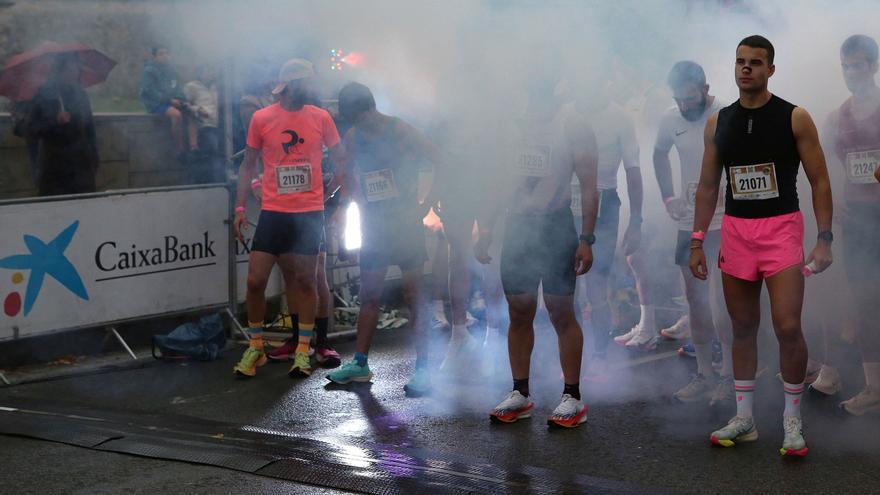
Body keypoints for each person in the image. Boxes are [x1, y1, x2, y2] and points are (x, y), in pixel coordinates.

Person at [690, 36, 833, 457]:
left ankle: (792, 420)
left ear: (771, 69)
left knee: (787, 326)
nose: (746, 68)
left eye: (755, 62)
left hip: (781, 230)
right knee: (742, 327)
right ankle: (745, 418)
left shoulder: (795, 117)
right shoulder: (718, 122)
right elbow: (708, 186)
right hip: (737, 232)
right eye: (740, 61)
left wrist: (824, 239)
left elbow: (820, 180)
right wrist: (697, 240)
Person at [474, 76, 599, 428]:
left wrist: (587, 239)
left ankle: (572, 396)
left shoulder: (573, 126)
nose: (533, 102)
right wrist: (486, 227)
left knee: (561, 311)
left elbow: (590, 187)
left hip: (556, 226)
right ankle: (520, 393)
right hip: (518, 227)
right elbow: (498, 180)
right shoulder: (513, 124)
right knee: (519, 310)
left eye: (539, 94)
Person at [326, 82, 440, 396]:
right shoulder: (354, 136)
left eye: (358, 118)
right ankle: (360, 363)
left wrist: (429, 202)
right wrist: (346, 204)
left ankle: (424, 368)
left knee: (414, 295)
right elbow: (347, 172)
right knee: (370, 295)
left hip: (404, 224)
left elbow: (440, 158)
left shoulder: (400, 130)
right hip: (375, 224)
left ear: (369, 109)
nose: (357, 125)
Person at [232, 59, 343, 379]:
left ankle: (304, 350)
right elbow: (248, 164)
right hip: (274, 213)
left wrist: (332, 195)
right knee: (255, 281)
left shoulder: (321, 117)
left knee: (307, 280)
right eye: (307, 81)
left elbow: (342, 161)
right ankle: (256, 346)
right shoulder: (262, 117)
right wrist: (240, 208)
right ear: (291, 85)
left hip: (308, 213)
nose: (313, 87)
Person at [652, 61, 734, 404]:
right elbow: (659, 154)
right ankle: (704, 373)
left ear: (705, 89)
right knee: (695, 300)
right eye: (679, 99)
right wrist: (668, 196)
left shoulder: (726, 113)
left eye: (690, 98)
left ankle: (729, 375)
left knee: (724, 302)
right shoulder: (670, 118)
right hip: (689, 221)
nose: (685, 105)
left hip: (725, 220)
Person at [824, 34, 880, 415]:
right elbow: (821, 163)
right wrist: (834, 198)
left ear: (874, 66)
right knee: (864, 301)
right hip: (858, 221)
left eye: (858, 65)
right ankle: (874, 386)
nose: (851, 73)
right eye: (845, 67)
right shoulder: (837, 117)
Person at [569, 86, 643, 368]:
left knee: (596, 283)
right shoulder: (568, 113)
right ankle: (571, 348)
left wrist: (636, 220)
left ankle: (600, 351)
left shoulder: (619, 117)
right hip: (565, 202)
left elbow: (633, 171)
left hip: (603, 202)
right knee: (565, 284)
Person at [28, 53, 99, 196]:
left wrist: (94, 155)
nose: (77, 69)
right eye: (73, 65)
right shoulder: (45, 94)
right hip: (55, 168)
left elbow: (89, 127)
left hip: (81, 167)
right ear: (62, 68)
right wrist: (55, 121)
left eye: (78, 65)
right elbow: (32, 129)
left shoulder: (80, 94)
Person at [140, 45, 187, 158]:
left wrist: (179, 98)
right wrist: (170, 100)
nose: (165, 56)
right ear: (154, 56)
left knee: (191, 114)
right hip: (155, 103)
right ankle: (179, 148)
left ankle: (194, 147)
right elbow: (150, 91)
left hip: (172, 101)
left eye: (166, 53)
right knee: (176, 115)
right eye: (161, 54)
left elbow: (178, 87)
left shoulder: (172, 70)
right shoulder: (149, 71)